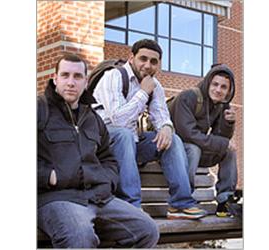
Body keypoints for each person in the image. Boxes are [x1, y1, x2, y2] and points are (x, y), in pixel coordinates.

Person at [37, 53, 159, 248]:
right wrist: (48, 176)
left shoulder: (93, 118)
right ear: (55, 78)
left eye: (77, 77)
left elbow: (108, 159)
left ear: (86, 81)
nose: (70, 82)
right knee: (80, 237)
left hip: (98, 198)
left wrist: (107, 181)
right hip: (57, 198)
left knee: (147, 230)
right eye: (65, 75)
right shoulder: (39, 109)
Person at [91, 39, 206, 220]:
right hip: (104, 143)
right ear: (132, 58)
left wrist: (167, 128)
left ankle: (180, 204)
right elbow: (118, 120)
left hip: (132, 145)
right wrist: (143, 93)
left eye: (153, 61)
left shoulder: (155, 85)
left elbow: (161, 116)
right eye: (142, 59)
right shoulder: (113, 76)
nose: (148, 65)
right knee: (124, 134)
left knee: (173, 139)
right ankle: (132, 206)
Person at [168, 63, 238, 217]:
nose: (218, 90)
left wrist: (228, 123)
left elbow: (221, 139)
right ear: (208, 83)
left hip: (196, 153)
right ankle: (182, 201)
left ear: (229, 91)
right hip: (172, 152)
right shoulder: (188, 97)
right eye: (215, 84)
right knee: (193, 148)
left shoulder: (220, 105)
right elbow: (188, 134)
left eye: (224, 87)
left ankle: (225, 201)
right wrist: (222, 143)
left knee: (229, 150)